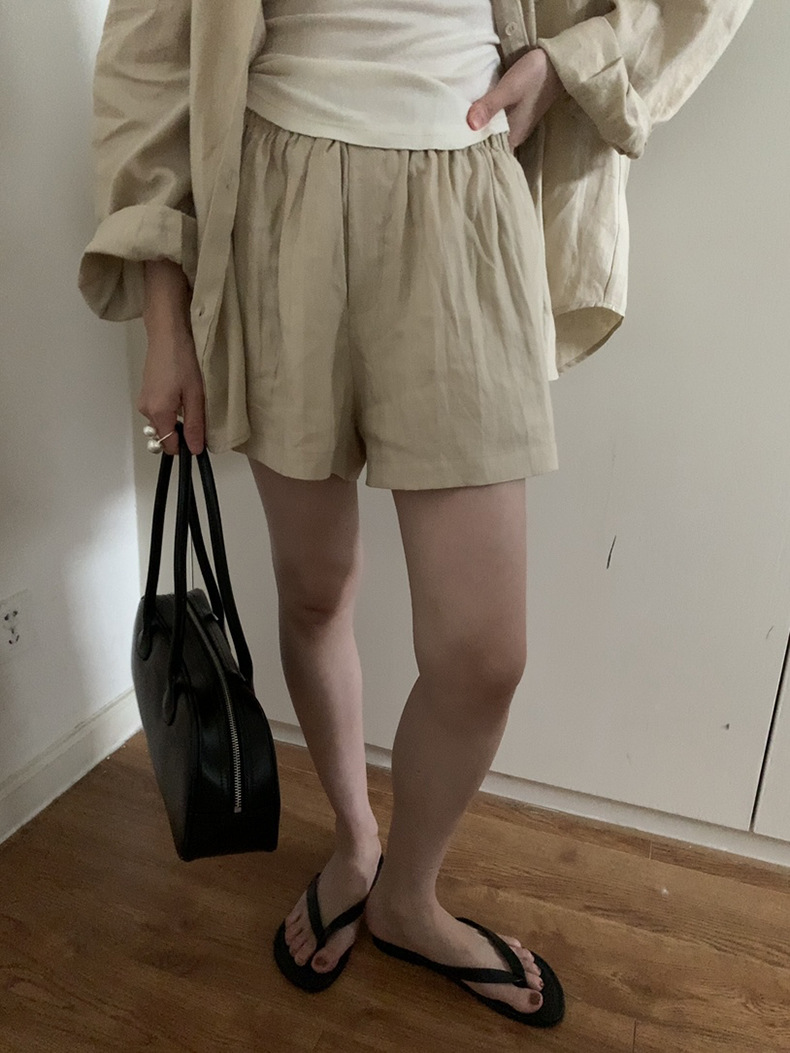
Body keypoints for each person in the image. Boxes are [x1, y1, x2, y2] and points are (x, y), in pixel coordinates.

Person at [78, 0, 753, 1029]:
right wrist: (165, 324)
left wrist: (570, 63)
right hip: (276, 201)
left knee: (483, 653)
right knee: (315, 590)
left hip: (463, 193)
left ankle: (409, 893)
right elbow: (150, 60)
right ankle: (355, 842)